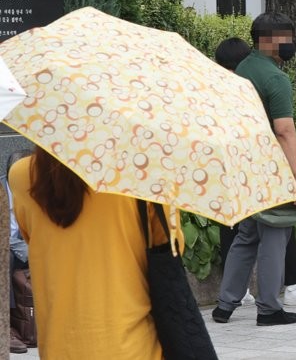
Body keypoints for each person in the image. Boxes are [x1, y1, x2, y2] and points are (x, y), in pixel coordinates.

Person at [10, 149, 180, 358]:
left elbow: (30, 235)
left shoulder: (21, 175)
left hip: (59, 347)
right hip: (132, 346)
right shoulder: (143, 172)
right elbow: (172, 245)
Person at [213, 37, 296, 308]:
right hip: (264, 168)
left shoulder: (230, 87)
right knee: (274, 227)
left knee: (244, 232)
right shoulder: (260, 82)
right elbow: (283, 129)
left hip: (238, 166)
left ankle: (231, 300)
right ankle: (273, 299)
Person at [5, 150, 33, 354]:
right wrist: (21, 247)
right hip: (7, 248)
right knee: (5, 258)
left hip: (31, 245)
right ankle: (7, 327)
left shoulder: (38, 190)